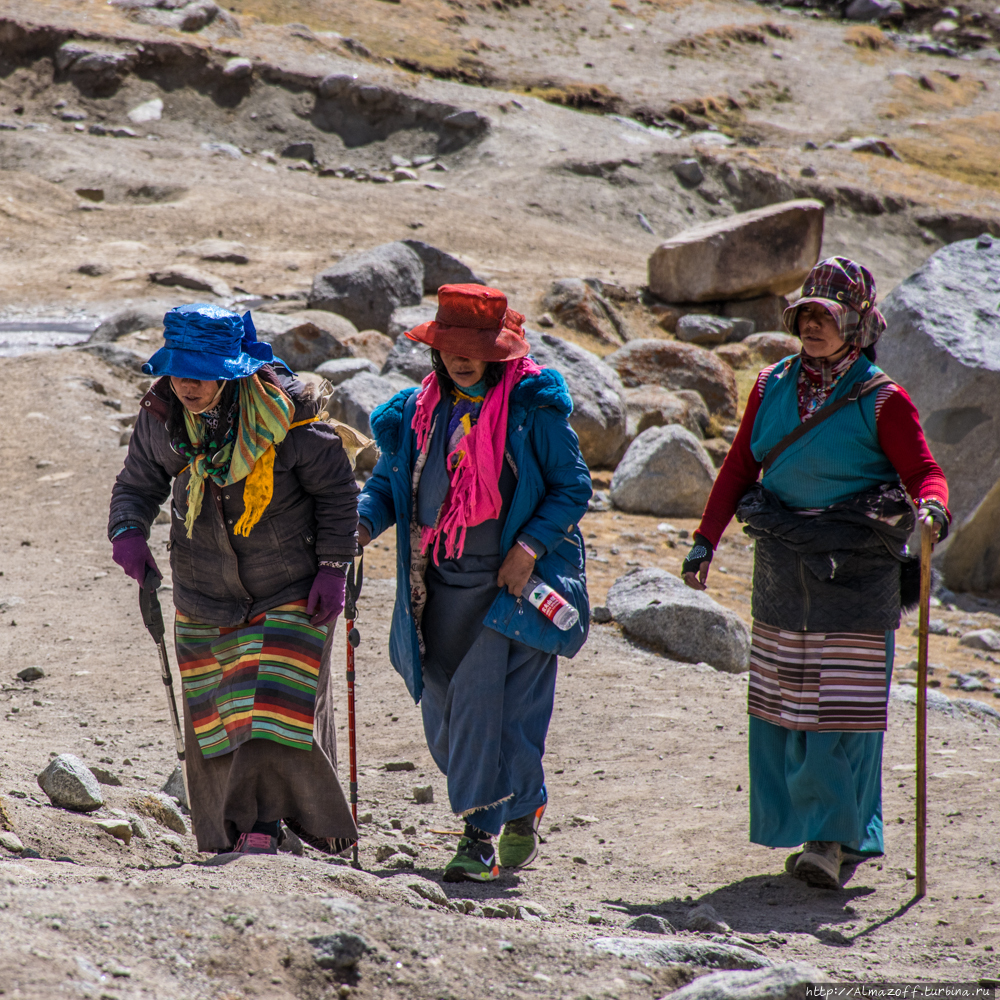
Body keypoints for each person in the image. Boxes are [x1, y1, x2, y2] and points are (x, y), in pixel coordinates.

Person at [682, 257, 950, 889]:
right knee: (784, 705)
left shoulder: (884, 400)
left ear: (856, 323)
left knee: (841, 712)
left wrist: (933, 506)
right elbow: (739, 470)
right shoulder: (768, 386)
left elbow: (924, 473)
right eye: (806, 314)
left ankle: (829, 840)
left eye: (826, 316)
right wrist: (704, 541)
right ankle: (832, 831)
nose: (812, 326)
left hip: (856, 575)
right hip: (783, 568)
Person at [356, 284, 591, 882]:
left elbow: (573, 487)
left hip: (512, 587)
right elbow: (389, 487)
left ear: (499, 352)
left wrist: (528, 548)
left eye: (475, 346)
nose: (462, 357)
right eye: (452, 345)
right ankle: (523, 801)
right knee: (445, 715)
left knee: (496, 713)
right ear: (437, 350)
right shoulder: (415, 413)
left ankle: (477, 837)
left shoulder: (532, 411)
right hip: (435, 587)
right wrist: (360, 524)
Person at [108, 303, 360, 857]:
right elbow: (136, 484)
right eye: (178, 371)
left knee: (273, 712)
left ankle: (266, 828)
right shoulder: (162, 418)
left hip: (290, 589)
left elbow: (339, 496)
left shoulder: (289, 420)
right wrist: (128, 531)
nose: (187, 384)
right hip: (203, 591)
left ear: (232, 370)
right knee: (220, 718)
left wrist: (334, 568)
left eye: (200, 373)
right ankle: (239, 829)